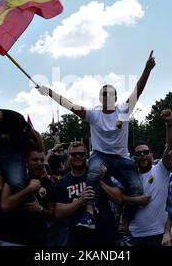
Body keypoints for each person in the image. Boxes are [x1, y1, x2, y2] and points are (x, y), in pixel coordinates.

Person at [38, 51, 156, 230]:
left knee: (137, 190)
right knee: (93, 172)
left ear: (116, 99)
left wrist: (147, 69)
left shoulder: (123, 110)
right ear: (101, 99)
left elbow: (138, 90)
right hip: (101, 156)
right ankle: (89, 213)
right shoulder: (94, 115)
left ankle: (124, 225)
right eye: (104, 95)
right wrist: (50, 93)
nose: (108, 97)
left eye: (111, 95)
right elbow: (69, 105)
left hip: (122, 158)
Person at [55, 142, 146, 245]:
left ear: (87, 156)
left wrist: (99, 181)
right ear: (68, 156)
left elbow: (118, 198)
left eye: (81, 154)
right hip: (78, 239)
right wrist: (80, 201)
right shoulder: (62, 182)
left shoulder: (99, 173)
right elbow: (58, 212)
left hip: (106, 236)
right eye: (74, 154)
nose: (78, 157)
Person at [0, 149, 56, 245]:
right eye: (35, 160)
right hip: (12, 240)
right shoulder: (14, 179)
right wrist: (29, 189)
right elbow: (5, 205)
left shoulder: (48, 183)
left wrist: (40, 209)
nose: (39, 163)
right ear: (26, 161)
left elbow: (52, 214)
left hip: (38, 240)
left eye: (42, 160)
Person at [126, 142, 171, 246]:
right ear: (134, 158)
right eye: (138, 153)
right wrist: (135, 200)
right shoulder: (129, 177)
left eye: (146, 152)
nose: (142, 155)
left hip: (160, 233)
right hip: (135, 235)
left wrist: (170, 125)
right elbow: (118, 197)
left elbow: (170, 145)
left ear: (152, 155)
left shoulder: (161, 169)